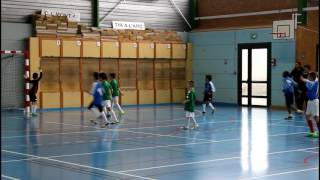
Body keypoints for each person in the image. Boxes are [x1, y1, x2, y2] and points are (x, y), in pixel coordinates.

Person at [300, 72, 319, 138]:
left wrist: (303, 78)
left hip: (314, 101)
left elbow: (305, 79)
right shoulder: (309, 82)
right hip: (309, 101)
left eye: (308, 76)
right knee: (307, 116)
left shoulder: (316, 82)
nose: (307, 77)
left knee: (316, 117)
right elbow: (304, 80)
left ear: (311, 77)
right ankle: (312, 132)